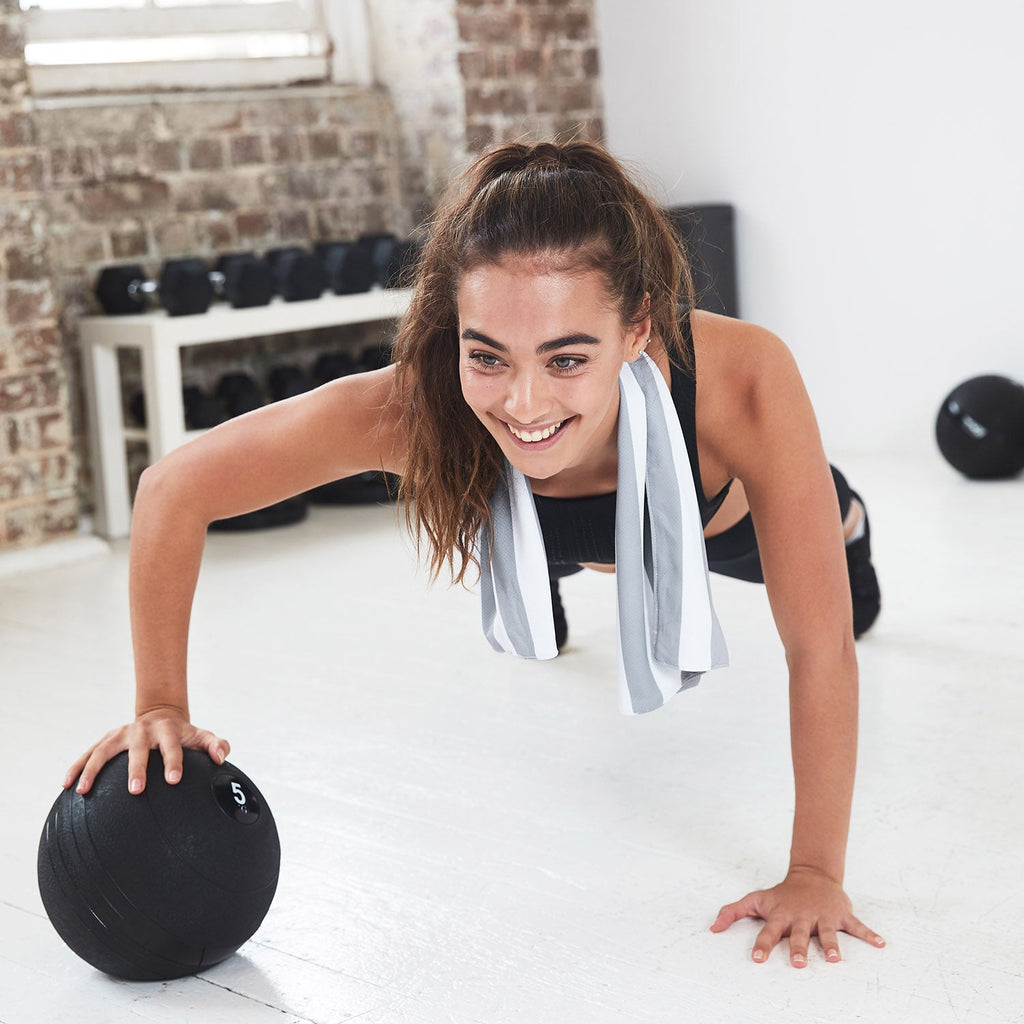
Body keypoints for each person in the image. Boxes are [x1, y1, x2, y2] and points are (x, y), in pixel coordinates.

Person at [64, 140, 885, 969]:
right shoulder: (414, 408)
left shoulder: (741, 378)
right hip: (530, 524)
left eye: (567, 358)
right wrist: (159, 704)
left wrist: (815, 873)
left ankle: (849, 521)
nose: (525, 401)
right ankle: (548, 567)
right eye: (488, 355)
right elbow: (172, 489)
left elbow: (818, 647)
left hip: (710, 530)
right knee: (524, 506)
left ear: (637, 327)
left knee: (838, 558)